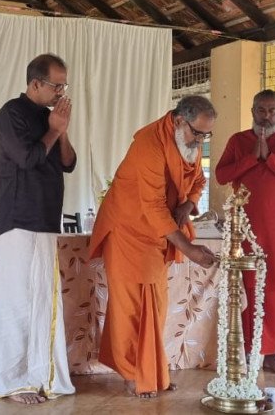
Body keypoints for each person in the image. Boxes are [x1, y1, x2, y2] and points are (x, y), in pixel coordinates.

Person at [89, 95, 218, 398]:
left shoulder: (188, 144)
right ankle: (133, 374)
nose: (201, 141)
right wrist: (189, 248)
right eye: (198, 133)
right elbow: (154, 206)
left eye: (206, 135)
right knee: (130, 307)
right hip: (128, 229)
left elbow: (198, 181)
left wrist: (187, 205)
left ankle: (152, 372)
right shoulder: (149, 144)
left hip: (156, 234)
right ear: (179, 121)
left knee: (154, 307)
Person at [0, 54, 76, 404]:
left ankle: (39, 374)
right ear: (35, 84)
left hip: (46, 217)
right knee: (16, 300)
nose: (61, 92)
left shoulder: (50, 117)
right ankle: (8, 379)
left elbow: (68, 163)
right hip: (19, 218)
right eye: (56, 85)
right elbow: (28, 159)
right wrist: (54, 130)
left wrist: (62, 131)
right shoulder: (11, 114)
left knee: (41, 300)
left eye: (63, 85)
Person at [213, 89, 275, 375]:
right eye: (261, 110)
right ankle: (243, 349)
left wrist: (272, 159)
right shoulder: (238, 140)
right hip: (245, 227)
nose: (266, 116)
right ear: (252, 111)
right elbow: (221, 175)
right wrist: (253, 157)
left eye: (272, 111)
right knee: (246, 285)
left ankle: (270, 353)